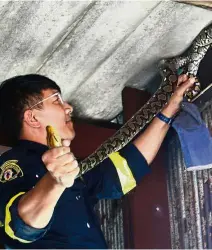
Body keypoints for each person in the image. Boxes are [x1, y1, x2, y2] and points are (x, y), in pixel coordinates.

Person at [0, 74, 195, 249]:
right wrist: (54, 182)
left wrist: (169, 110)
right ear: (32, 118)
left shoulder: (75, 169)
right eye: (56, 99)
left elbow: (125, 170)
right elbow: (19, 228)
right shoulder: (13, 163)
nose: (69, 107)